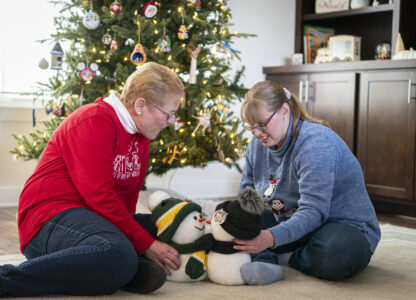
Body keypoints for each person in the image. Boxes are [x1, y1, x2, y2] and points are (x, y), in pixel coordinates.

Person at [0, 62, 184, 297]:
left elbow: (126, 201)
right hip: (48, 220)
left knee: (172, 224)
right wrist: (144, 245)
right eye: (169, 113)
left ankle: (120, 270)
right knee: (118, 254)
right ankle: (7, 280)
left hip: (92, 218)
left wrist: (141, 237)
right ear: (140, 105)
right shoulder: (94, 119)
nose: (171, 121)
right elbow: (100, 197)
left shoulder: (141, 135)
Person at [233, 80, 381, 283]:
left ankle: (287, 257)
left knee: (335, 254)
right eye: (251, 126)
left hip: (341, 225)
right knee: (238, 227)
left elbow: (313, 212)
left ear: (284, 110)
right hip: (288, 219)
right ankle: (267, 262)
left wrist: (271, 237)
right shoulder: (256, 146)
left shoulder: (315, 142)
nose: (257, 133)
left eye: (262, 124)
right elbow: (246, 198)